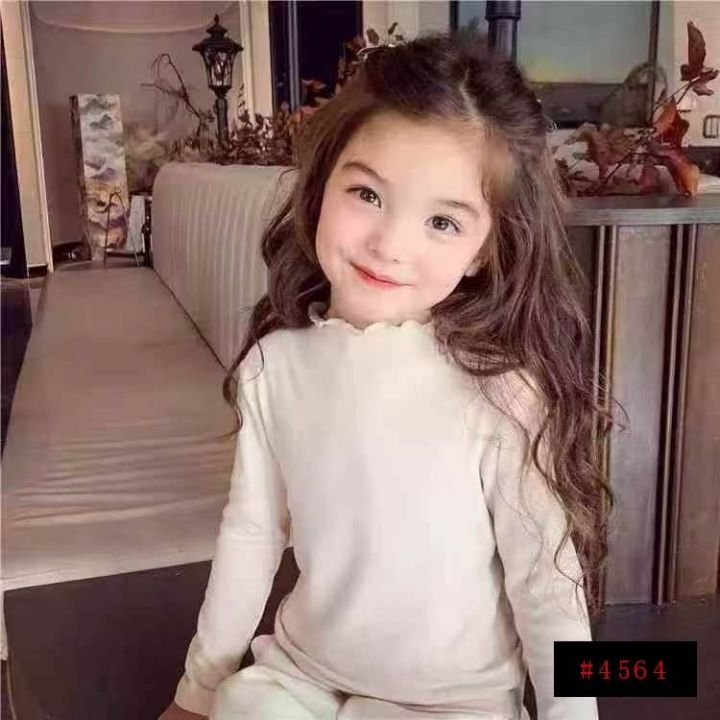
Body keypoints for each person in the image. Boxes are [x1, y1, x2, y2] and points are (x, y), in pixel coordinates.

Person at [159, 28, 616, 720]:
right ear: (323, 183)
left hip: (454, 705)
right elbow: (251, 537)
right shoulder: (272, 369)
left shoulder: (502, 391)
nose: (390, 244)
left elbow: (545, 583)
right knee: (241, 704)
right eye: (367, 195)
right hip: (302, 678)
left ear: (484, 251)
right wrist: (197, 691)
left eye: (442, 222)